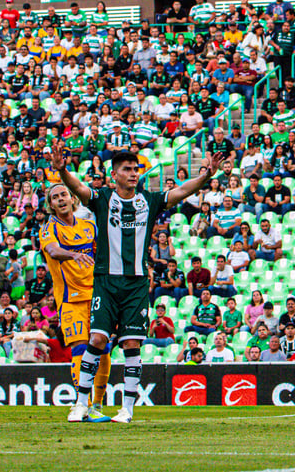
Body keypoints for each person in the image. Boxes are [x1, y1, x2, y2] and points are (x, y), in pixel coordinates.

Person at [54, 144, 224, 424]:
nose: (134, 174)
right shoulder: (103, 197)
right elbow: (80, 189)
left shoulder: (150, 199)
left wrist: (206, 176)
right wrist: (62, 170)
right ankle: (80, 404)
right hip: (106, 281)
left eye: (136, 169)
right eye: (127, 169)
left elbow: (182, 191)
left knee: (132, 344)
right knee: (96, 340)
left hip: (135, 285)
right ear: (114, 173)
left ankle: (127, 410)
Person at [39, 184, 111, 422]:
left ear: (72, 199)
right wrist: (73, 254)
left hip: (96, 294)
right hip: (71, 300)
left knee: (103, 348)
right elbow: (52, 250)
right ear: (51, 205)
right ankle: (82, 404)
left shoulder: (89, 226)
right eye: (55, 198)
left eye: (63, 195)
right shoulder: (49, 228)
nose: (60, 200)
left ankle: (97, 405)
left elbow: (104, 254)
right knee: (80, 347)